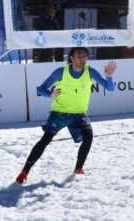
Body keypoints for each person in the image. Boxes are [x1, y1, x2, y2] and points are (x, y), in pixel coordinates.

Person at [16, 47, 117, 184]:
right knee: (46, 139)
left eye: (85, 56)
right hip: (59, 113)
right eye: (79, 56)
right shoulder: (61, 72)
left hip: (79, 115)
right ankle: (25, 171)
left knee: (88, 136)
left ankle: (78, 168)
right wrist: (50, 94)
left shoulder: (90, 71)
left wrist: (109, 77)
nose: (83, 59)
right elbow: (40, 89)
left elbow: (110, 88)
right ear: (72, 58)